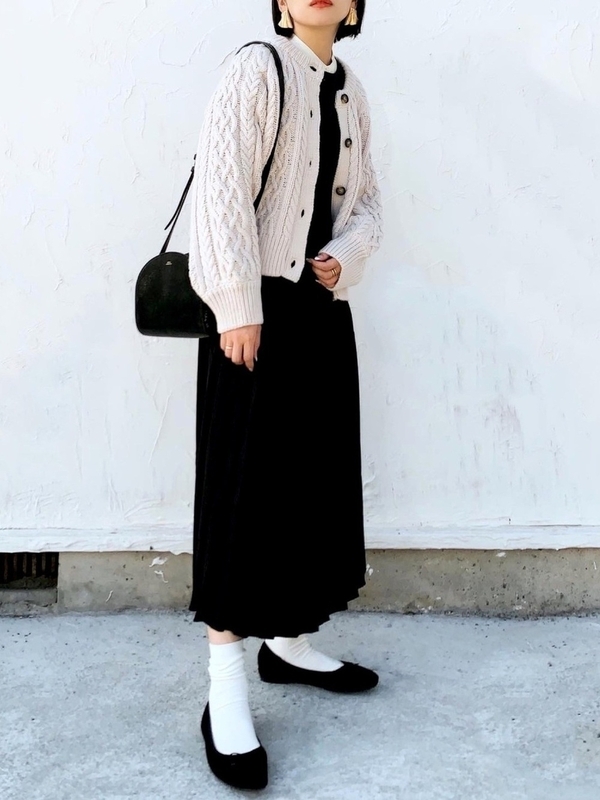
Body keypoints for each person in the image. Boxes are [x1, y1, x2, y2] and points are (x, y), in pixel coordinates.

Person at [187, 0, 384, 790]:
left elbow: (367, 201)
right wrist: (236, 303)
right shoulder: (256, 69)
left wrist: (347, 252)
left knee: (310, 489)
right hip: (255, 314)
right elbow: (221, 192)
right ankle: (224, 689)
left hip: (319, 315)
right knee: (240, 499)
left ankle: (289, 644)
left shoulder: (351, 89)